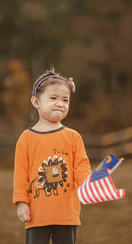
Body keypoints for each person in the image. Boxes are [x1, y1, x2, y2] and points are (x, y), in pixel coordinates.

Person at [13, 69, 92, 244]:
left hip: (67, 213)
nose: (60, 104)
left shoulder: (73, 137)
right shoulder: (26, 139)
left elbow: (81, 167)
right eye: (53, 98)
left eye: (65, 100)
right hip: (36, 214)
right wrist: (21, 203)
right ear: (36, 101)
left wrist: (88, 182)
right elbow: (21, 175)